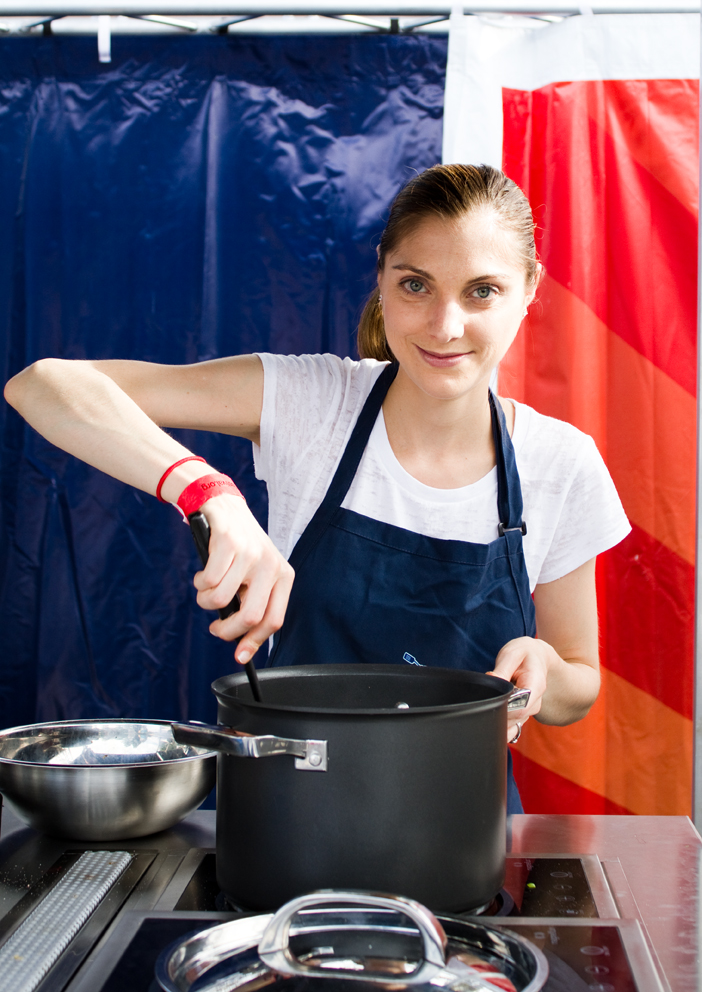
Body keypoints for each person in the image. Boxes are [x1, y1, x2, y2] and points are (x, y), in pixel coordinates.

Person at [4, 164, 629, 813]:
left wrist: (542, 668)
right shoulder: (313, 402)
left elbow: (578, 685)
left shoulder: (561, 463)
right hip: (293, 819)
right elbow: (44, 385)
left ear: (529, 289)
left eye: (482, 291)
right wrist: (205, 492)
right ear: (382, 279)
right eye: (416, 285)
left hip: (466, 827)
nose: (445, 325)